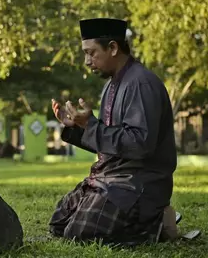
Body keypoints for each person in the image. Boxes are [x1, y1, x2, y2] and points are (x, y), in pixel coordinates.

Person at [49, 18, 179, 245]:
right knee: (59, 223)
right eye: (85, 54)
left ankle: (154, 222)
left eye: (91, 53)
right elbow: (111, 141)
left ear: (113, 48)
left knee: (80, 233)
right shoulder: (112, 84)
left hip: (139, 183)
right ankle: (141, 220)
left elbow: (139, 144)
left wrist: (92, 126)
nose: (87, 61)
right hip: (110, 179)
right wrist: (78, 127)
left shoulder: (140, 83)